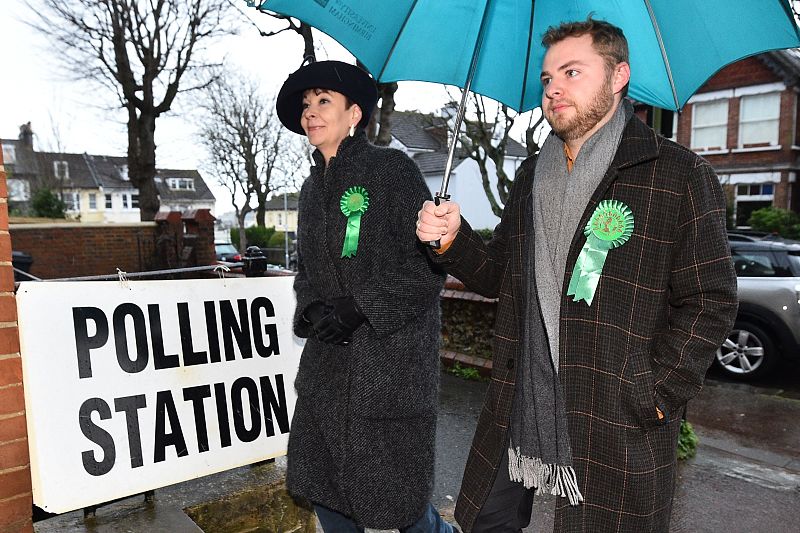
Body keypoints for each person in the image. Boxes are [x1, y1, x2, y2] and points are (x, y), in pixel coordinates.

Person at [416, 18, 738, 533]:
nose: (554, 89)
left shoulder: (676, 174)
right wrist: (452, 239)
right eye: (547, 79)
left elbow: (711, 299)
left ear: (618, 76)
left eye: (571, 72)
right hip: (521, 398)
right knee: (487, 521)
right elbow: (500, 274)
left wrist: (655, 394)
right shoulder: (529, 175)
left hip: (617, 407)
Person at [276, 60, 454, 533]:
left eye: (323, 102)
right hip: (328, 372)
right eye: (307, 104)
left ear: (354, 114)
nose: (310, 112)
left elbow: (427, 265)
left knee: (399, 503)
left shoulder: (391, 171)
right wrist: (312, 307)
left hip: (387, 369)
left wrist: (362, 307)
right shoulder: (311, 191)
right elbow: (307, 273)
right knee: (326, 489)